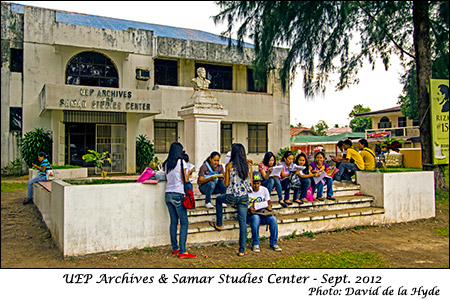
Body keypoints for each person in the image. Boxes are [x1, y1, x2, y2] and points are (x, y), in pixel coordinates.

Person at [209, 143, 253, 257]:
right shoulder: (248, 166)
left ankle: (219, 224)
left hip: (232, 196)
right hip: (244, 197)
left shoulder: (229, 166)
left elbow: (226, 183)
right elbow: (251, 184)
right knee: (242, 223)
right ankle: (242, 250)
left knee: (219, 200)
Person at [163, 142, 196, 259]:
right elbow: (185, 179)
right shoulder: (181, 162)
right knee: (184, 222)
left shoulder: (167, 164)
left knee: (173, 222)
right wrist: (189, 172)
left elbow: (167, 178)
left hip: (168, 194)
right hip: (178, 193)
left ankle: (175, 248)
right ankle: (183, 250)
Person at [247, 171, 282, 252]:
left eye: (258, 183)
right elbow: (244, 205)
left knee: (273, 219)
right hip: (251, 215)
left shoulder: (264, 190)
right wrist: (250, 208)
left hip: (263, 213)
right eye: (254, 183)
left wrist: (268, 207)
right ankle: (255, 243)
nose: (256, 186)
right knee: (256, 218)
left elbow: (268, 203)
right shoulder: (247, 190)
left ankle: (274, 242)